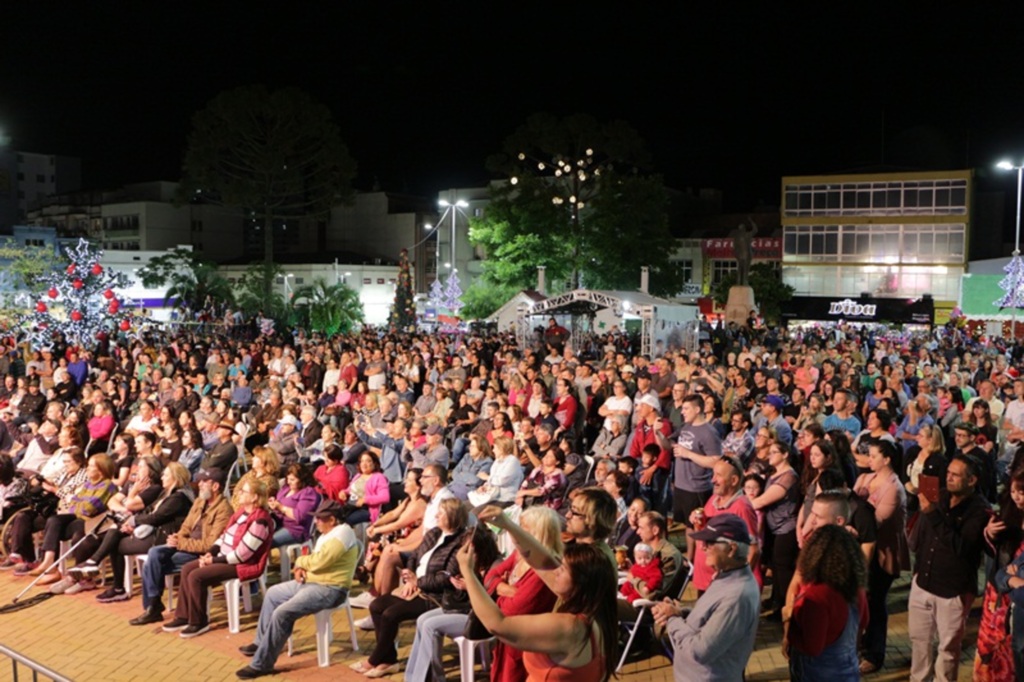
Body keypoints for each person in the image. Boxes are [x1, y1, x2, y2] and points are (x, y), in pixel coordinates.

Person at [461, 508, 619, 682]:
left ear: (580, 582)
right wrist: (507, 525)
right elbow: (540, 560)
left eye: (563, 569)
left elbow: (497, 624)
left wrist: (468, 573)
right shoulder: (597, 615)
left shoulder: (571, 627)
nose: (555, 571)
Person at [234, 499, 361, 679]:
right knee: (273, 593)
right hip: (312, 581)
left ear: (332, 520)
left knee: (282, 613)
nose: (316, 522)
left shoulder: (341, 534)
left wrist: (300, 562)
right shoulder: (328, 534)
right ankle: (261, 642)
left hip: (330, 588)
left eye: (320, 518)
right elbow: (315, 560)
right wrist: (301, 568)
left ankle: (262, 664)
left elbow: (319, 562)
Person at [349, 498, 473, 677]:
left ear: (453, 516)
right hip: (416, 588)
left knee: (391, 614)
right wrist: (408, 577)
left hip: (436, 597)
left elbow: (447, 577)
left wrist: (418, 582)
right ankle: (388, 660)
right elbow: (414, 557)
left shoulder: (460, 543)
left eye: (441, 513)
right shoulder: (434, 533)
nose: (437, 515)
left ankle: (375, 660)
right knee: (376, 605)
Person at [908, 454, 991, 682]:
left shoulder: (980, 511)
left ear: (972, 480)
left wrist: (932, 515)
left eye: (955, 475)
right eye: (948, 473)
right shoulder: (940, 497)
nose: (949, 478)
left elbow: (962, 547)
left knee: (947, 651)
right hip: (923, 583)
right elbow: (925, 537)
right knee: (919, 643)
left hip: (952, 591)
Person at [651, 513, 760, 681]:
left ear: (731, 549)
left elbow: (699, 651)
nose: (702, 547)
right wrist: (681, 613)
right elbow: (712, 619)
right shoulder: (727, 575)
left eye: (710, 542)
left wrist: (672, 619)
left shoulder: (736, 596)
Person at [160, 478, 273, 638]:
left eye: (243, 491)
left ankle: (199, 622)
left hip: (242, 564)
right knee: (187, 569)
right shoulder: (241, 513)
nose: (239, 493)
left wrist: (213, 561)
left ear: (254, 497)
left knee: (196, 576)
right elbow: (223, 536)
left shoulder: (260, 522)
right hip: (224, 557)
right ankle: (183, 616)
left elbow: (242, 555)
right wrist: (211, 552)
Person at [854, 439, 910, 674]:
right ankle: (857, 645)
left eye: (874, 456)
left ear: (886, 459)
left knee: (876, 602)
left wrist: (852, 523)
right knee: (860, 600)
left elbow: (874, 523)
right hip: (861, 548)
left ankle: (875, 654)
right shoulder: (865, 478)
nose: (869, 459)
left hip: (883, 552)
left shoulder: (893, 487)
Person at [784, 524, 868, 681]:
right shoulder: (856, 587)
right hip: (848, 670)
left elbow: (812, 648)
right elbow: (863, 622)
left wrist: (789, 626)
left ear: (813, 555)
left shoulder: (816, 596)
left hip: (817, 673)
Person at [267, 463, 319, 547]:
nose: (288, 482)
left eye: (292, 480)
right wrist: (274, 504)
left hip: (295, 530)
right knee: (257, 537)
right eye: (287, 479)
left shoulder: (308, 493)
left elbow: (300, 516)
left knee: (265, 542)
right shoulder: (286, 488)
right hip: (278, 523)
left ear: (302, 479)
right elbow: (279, 506)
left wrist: (280, 507)